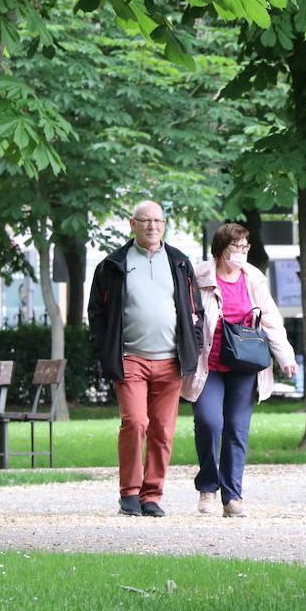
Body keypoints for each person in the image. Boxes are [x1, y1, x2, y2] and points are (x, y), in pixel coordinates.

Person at [87, 200, 202, 517]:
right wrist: (104, 347)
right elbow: (96, 313)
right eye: (145, 220)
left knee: (162, 430)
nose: (152, 226)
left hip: (170, 361)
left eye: (158, 221)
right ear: (132, 223)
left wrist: (192, 346)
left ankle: (152, 495)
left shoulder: (179, 262)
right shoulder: (113, 264)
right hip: (130, 358)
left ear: (164, 225)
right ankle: (130, 493)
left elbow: (196, 311)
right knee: (135, 422)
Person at [181, 223, 297, 518]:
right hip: (209, 364)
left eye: (246, 247)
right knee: (209, 422)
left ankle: (232, 497)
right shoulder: (200, 276)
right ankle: (208, 487)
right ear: (220, 250)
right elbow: (184, 317)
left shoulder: (253, 277)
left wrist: (285, 356)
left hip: (245, 364)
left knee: (236, 429)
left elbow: (270, 318)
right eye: (237, 247)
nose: (243, 253)